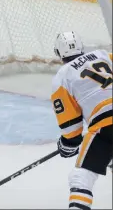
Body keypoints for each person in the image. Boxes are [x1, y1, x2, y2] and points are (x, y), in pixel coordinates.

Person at [52, 31, 112, 210]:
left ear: (58, 52)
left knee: (81, 178)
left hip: (106, 126)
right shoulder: (105, 55)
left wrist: (67, 144)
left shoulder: (62, 76)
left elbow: (71, 128)